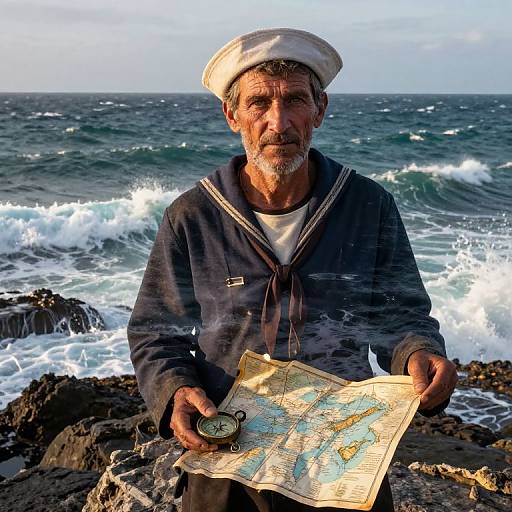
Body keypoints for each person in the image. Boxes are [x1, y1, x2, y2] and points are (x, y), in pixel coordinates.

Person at [128, 28, 458, 512]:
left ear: (320, 110)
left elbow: (401, 317)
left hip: (345, 456)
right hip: (228, 457)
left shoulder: (367, 206)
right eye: (258, 102)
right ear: (231, 114)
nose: (277, 122)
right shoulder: (193, 216)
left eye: (295, 101)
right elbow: (156, 332)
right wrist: (175, 390)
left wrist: (420, 354)